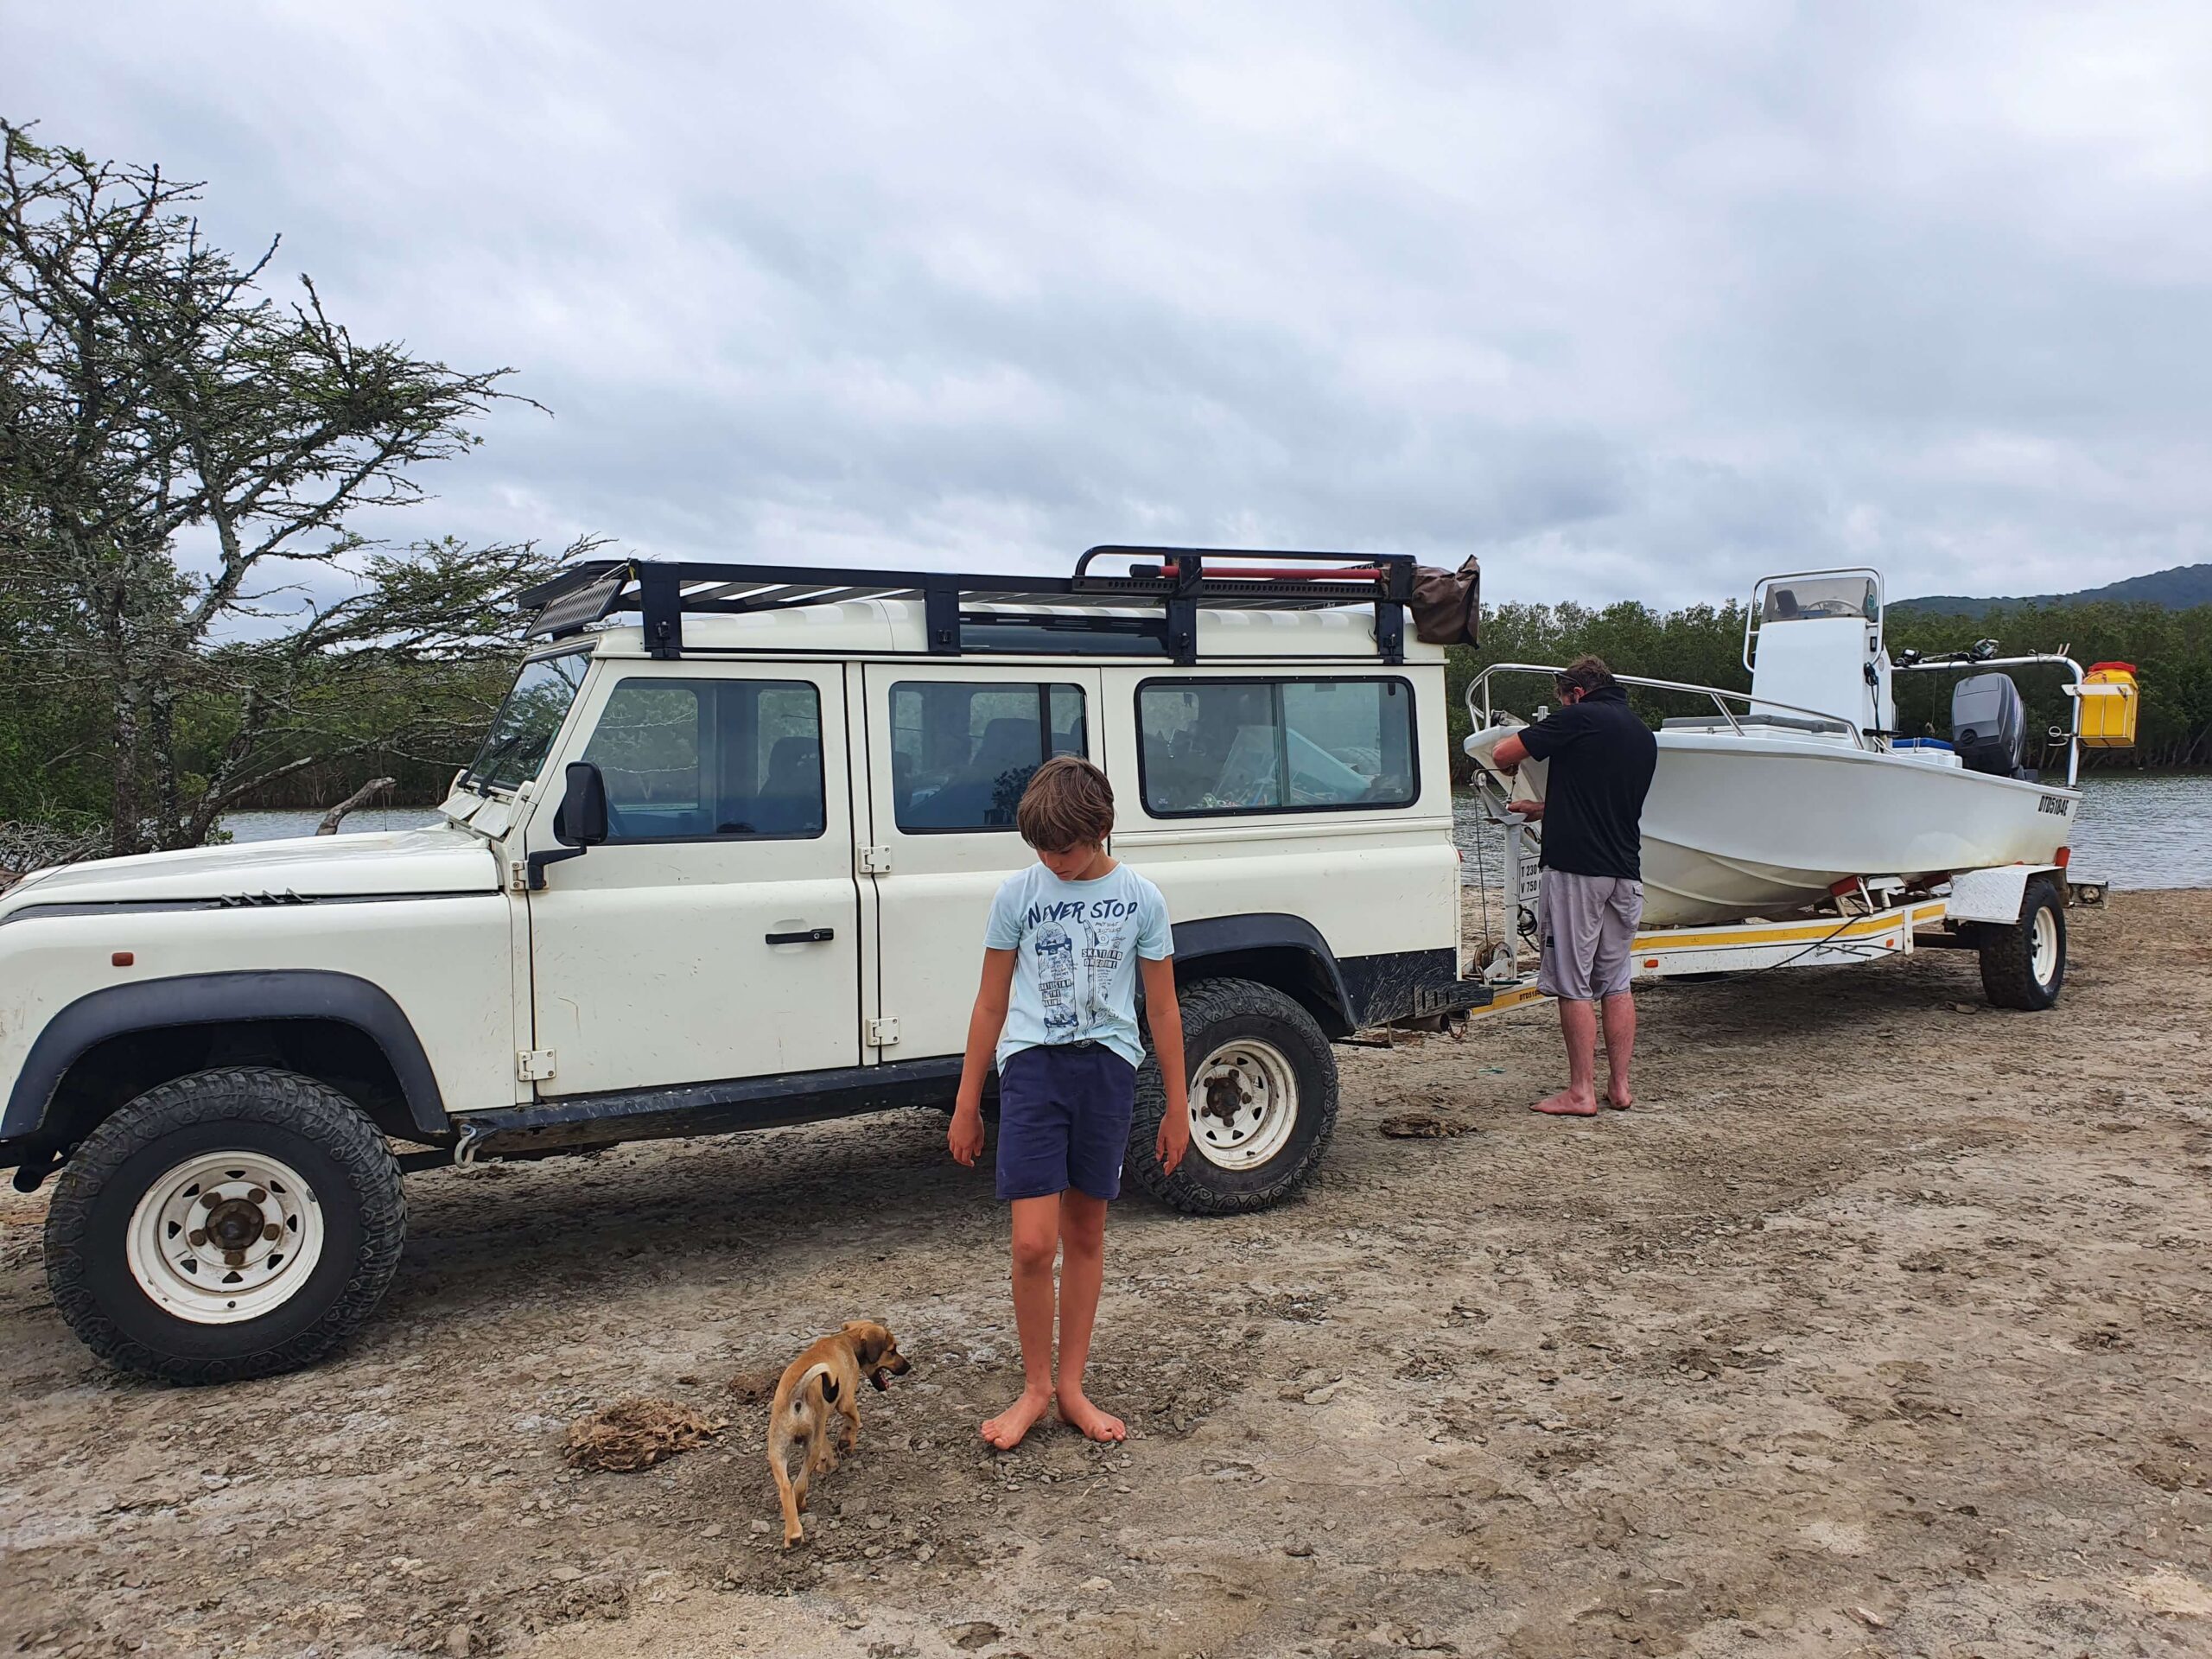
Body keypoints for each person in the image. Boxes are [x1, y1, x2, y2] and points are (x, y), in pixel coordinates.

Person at [948, 755, 1189, 1447]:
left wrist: (1177, 1108)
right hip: (1032, 1071)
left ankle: (1072, 1389)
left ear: (1103, 829)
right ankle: (1034, 1387)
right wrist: (968, 1102)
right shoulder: (1017, 894)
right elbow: (991, 1000)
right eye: (1042, 848)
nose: (1053, 860)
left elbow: (1165, 1012)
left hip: (1108, 1073)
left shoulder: (1142, 898)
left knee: (1086, 1234)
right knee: (1032, 1242)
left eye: (1067, 848)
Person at [1491, 655, 1658, 1118]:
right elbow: (1599, 800)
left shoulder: (1579, 716)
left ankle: (1581, 1092)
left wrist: (1514, 756)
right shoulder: (1641, 734)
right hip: (1625, 872)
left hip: (1576, 872)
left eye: (1562, 700)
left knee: (1573, 982)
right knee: (1617, 982)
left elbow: (1504, 754)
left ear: (1576, 694)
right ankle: (1620, 1087)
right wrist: (1543, 808)